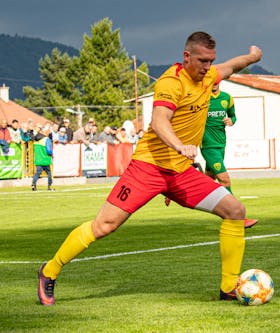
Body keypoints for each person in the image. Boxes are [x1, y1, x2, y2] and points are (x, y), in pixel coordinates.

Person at [37, 31, 262, 306]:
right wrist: (180, 145)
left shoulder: (208, 76)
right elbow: (159, 121)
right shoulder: (171, 82)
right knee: (104, 225)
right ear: (186, 56)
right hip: (148, 168)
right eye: (202, 60)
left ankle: (228, 287)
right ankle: (49, 270)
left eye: (210, 61)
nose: (207, 67)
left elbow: (230, 67)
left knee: (235, 211)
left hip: (180, 173)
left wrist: (252, 57)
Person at [200, 82, 257, 228]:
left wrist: (231, 121)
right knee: (224, 180)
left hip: (221, 144)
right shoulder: (202, 98)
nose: (213, 84)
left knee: (208, 179)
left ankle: (173, 191)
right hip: (208, 146)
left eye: (216, 81)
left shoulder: (227, 98)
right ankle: (237, 218)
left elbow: (233, 116)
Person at [31, 125, 55, 191]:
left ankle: (33, 184)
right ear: (45, 132)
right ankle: (49, 186)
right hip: (45, 159)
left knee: (37, 173)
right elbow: (48, 150)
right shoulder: (46, 139)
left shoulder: (35, 140)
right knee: (49, 173)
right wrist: (51, 154)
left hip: (38, 159)